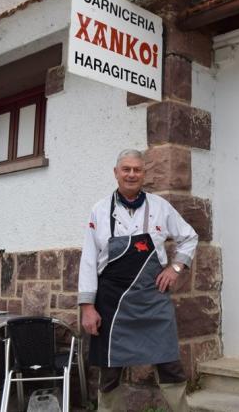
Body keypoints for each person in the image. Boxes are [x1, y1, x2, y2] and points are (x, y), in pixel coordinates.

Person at [78, 149, 197, 412]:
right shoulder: (98, 211)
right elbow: (88, 260)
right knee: (110, 370)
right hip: (111, 302)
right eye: (126, 169)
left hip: (152, 299)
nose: (131, 174)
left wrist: (176, 268)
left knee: (170, 365)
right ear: (116, 173)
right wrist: (87, 306)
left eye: (137, 170)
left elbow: (190, 237)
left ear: (144, 174)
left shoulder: (160, 207)